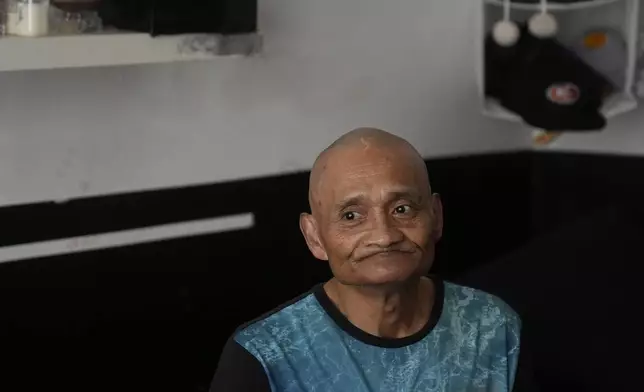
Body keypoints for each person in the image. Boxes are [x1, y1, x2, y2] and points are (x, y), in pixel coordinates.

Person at [211, 128, 532, 391]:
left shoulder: (492, 327)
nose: (384, 235)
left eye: (402, 209)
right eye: (351, 216)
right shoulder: (265, 355)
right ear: (314, 237)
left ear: (435, 217)